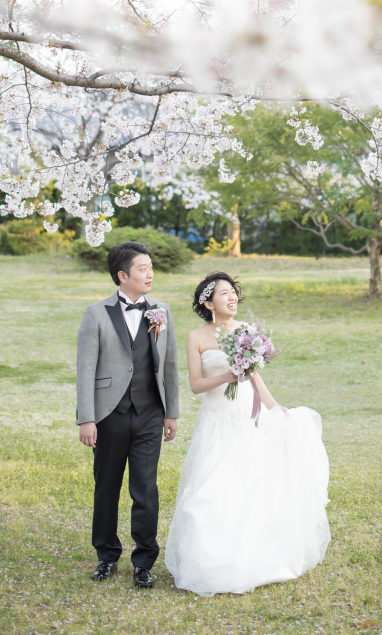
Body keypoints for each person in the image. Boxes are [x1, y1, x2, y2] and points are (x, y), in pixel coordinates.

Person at [165, 271, 330, 596]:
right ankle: (209, 561)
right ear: (207, 302)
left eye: (234, 292)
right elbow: (196, 385)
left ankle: (254, 555)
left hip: (245, 414)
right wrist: (227, 375)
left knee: (249, 481)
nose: (232, 298)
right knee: (208, 491)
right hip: (215, 418)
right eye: (224, 293)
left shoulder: (246, 331)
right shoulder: (196, 337)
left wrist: (274, 407)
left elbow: (255, 378)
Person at [76, 240, 179, 588]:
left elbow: (170, 367)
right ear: (122, 276)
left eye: (151, 267)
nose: (149, 274)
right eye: (141, 269)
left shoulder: (161, 311)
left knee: (146, 489)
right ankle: (106, 555)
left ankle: (144, 561)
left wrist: (172, 413)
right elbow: (85, 368)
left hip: (151, 413)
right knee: (106, 486)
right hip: (109, 414)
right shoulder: (96, 313)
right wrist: (86, 418)